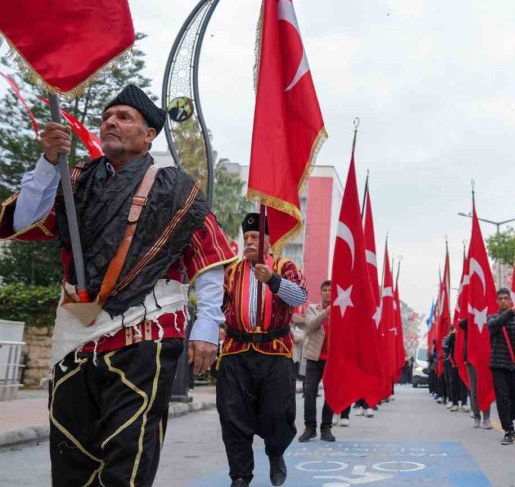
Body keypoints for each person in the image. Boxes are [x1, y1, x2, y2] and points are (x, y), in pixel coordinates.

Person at [0, 85, 236, 486]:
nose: (111, 121)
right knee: (71, 455)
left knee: (129, 453)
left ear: (149, 136)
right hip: (76, 333)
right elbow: (23, 220)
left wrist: (207, 328)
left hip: (147, 331)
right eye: (107, 116)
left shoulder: (176, 188)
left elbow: (209, 260)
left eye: (124, 117)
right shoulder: (74, 178)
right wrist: (47, 162)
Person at [216, 213, 308, 487]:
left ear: (269, 241)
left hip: (275, 351)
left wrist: (272, 280)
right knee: (232, 415)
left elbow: (300, 297)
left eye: (255, 237)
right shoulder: (231, 270)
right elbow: (217, 306)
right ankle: (240, 475)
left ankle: (275, 452)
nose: (249, 241)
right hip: (236, 351)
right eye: (246, 237)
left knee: (277, 413)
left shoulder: (285, 265)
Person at [297, 280, 339, 443]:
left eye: (330, 290)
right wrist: (326, 312)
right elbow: (310, 325)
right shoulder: (313, 308)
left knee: (330, 395)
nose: (328, 292)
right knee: (309, 393)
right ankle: (310, 427)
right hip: (314, 357)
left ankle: (326, 427)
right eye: (325, 290)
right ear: (321, 292)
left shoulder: (341, 309)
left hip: (332, 360)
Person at [488, 287, 515, 445]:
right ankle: (508, 429)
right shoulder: (493, 317)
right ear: (497, 301)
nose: (503, 301)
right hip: (499, 365)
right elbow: (494, 327)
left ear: (510, 300)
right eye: (501, 298)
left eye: (506, 298)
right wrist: (511, 312)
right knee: (502, 398)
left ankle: (509, 419)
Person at [457, 315, 492, 428]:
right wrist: (472, 313)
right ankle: (477, 416)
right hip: (472, 360)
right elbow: (461, 324)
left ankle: (486, 418)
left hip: (485, 359)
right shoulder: (470, 319)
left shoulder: (489, 316)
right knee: (474, 391)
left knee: (485, 389)